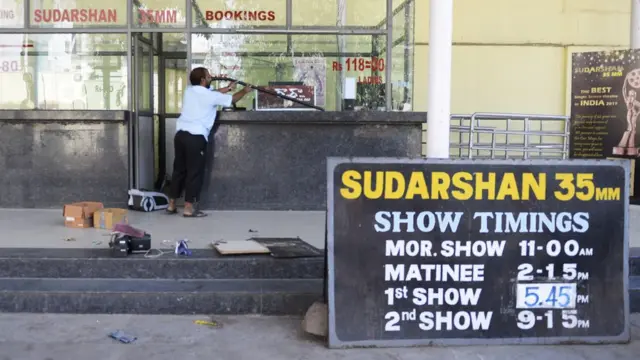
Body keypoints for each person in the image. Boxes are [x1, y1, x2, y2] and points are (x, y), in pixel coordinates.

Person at [166, 67, 252, 217]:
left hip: (180, 135)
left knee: (179, 170)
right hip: (196, 137)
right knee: (194, 172)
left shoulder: (189, 91)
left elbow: (210, 94)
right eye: (208, 75)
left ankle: (171, 205)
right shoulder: (209, 96)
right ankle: (188, 208)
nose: (211, 77)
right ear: (203, 80)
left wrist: (227, 88)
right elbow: (232, 100)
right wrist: (244, 91)